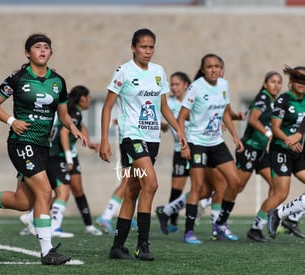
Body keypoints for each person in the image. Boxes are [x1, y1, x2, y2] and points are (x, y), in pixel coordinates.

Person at [0, 33, 87, 265]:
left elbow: (63, 114)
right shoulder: (17, 79)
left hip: (41, 146)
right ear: (27, 53)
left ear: (50, 53)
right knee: (45, 192)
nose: (42, 50)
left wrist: (73, 128)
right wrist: (11, 121)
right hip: (21, 143)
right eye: (37, 47)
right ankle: (47, 252)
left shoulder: (58, 81)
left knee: (23, 202)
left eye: (46, 47)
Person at [99, 28, 186, 260]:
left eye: (151, 47)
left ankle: (117, 246)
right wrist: (105, 140)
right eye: (143, 47)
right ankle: (143, 245)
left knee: (134, 190)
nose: (148, 51)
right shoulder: (123, 72)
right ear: (133, 48)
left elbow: (164, 107)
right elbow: (107, 106)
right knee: (152, 183)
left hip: (152, 139)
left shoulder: (159, 72)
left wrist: (179, 130)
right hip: (131, 137)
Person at [178, 53, 243, 244]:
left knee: (235, 182)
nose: (213, 69)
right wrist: (184, 143)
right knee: (198, 187)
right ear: (203, 69)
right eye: (209, 67)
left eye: (217, 66)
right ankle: (188, 232)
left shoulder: (224, 85)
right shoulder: (196, 87)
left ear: (221, 68)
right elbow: (181, 117)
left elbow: (225, 112)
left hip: (216, 143)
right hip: (197, 143)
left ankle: (220, 225)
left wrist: (234, 136)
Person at [231, 71, 283, 242]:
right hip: (249, 148)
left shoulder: (274, 101)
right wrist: (268, 132)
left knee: (276, 187)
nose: (276, 85)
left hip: (261, 152)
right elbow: (253, 120)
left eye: (279, 82)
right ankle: (209, 203)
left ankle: (258, 226)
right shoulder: (263, 98)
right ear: (265, 84)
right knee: (237, 187)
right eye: (272, 81)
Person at [47, 85, 103, 236]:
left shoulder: (75, 113)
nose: (90, 100)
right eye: (89, 97)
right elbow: (65, 133)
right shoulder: (74, 113)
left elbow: (81, 126)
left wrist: (89, 143)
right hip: (59, 156)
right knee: (62, 192)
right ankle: (37, 218)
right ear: (83, 98)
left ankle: (89, 226)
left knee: (76, 190)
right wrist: (68, 158)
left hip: (66, 155)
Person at [264, 65, 305, 239]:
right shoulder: (284, 100)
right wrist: (290, 140)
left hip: (298, 150)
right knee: (280, 193)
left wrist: (298, 135)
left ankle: (289, 217)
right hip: (281, 150)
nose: (302, 83)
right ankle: (257, 227)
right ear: (291, 82)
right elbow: (275, 128)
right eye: (298, 79)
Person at [155, 71, 191, 234]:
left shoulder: (192, 101)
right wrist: (163, 126)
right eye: (172, 84)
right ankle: (171, 219)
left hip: (197, 148)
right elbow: (163, 122)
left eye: (177, 84)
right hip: (180, 151)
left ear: (186, 85)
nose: (173, 87)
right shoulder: (168, 103)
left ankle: (171, 214)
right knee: (177, 188)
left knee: (202, 186)